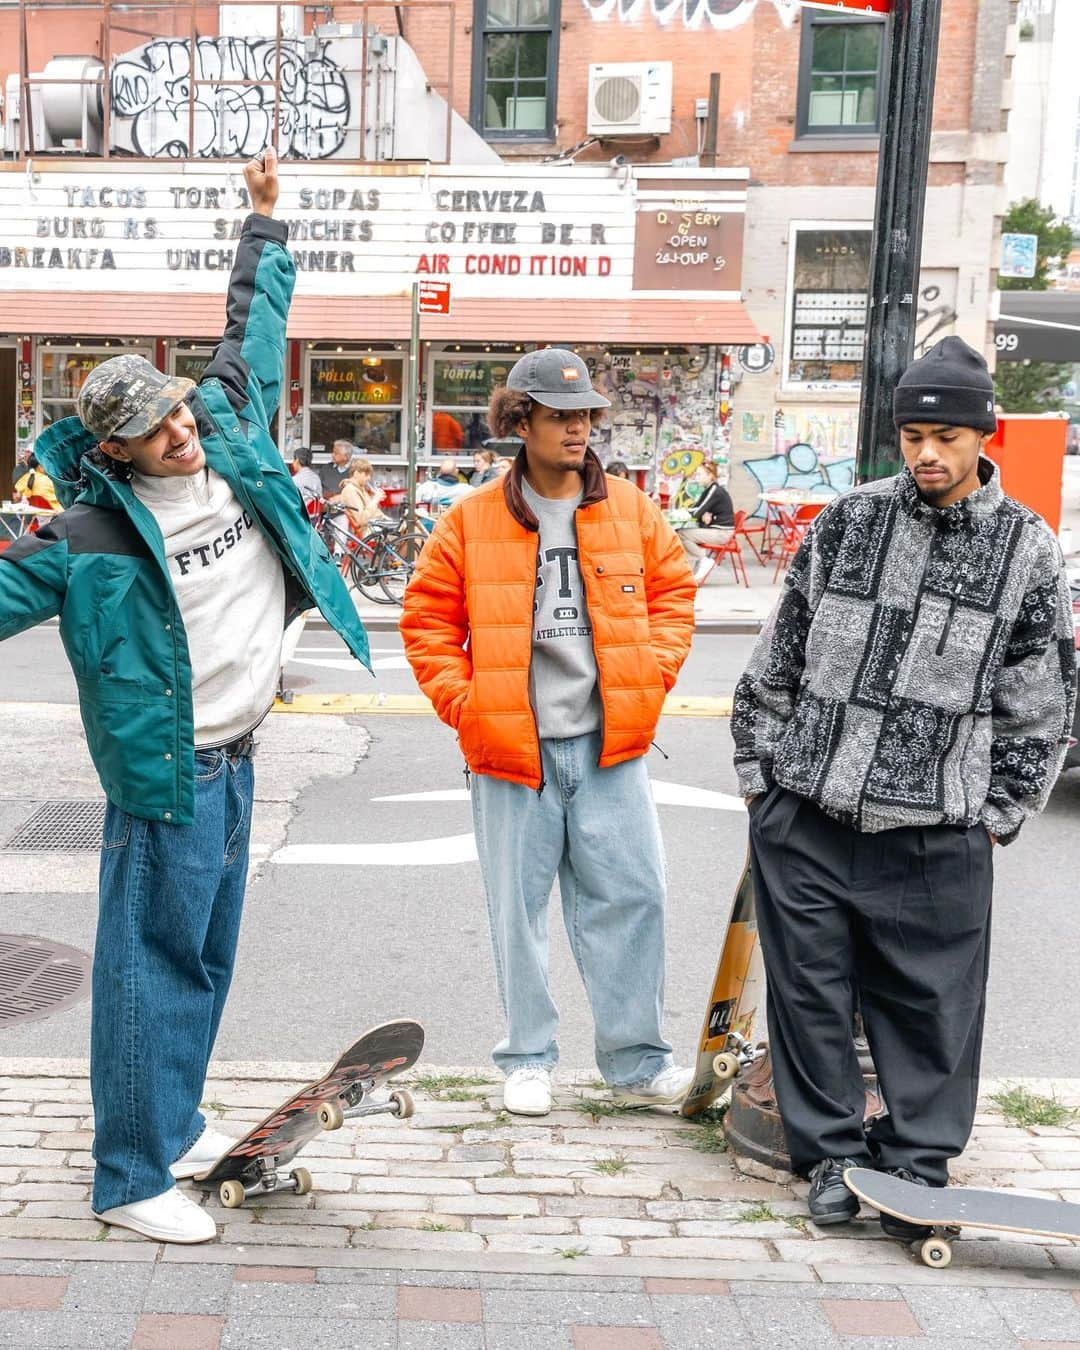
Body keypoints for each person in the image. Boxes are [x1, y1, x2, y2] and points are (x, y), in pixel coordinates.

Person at [0, 147, 371, 1244]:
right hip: (171, 774)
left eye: (179, 409)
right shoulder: (88, 538)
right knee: (144, 969)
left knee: (203, 959)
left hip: (243, 753)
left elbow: (249, 328)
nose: (182, 429)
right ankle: (128, 1175)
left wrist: (266, 220)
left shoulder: (232, 428)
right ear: (112, 449)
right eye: (156, 428)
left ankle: (175, 1119)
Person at [732, 336, 1076, 1236]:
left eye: (947, 437)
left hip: (938, 830)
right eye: (914, 434)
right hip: (808, 812)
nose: (927, 453)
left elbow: (1039, 704)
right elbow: (778, 659)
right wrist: (761, 780)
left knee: (929, 1010)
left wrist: (994, 818)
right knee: (808, 996)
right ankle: (834, 1160)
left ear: (982, 436)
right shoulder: (848, 520)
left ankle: (917, 1167)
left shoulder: (1026, 551)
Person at [402, 347, 697, 1117]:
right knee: (517, 909)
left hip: (610, 747)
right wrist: (468, 708)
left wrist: (650, 678)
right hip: (512, 750)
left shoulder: (630, 509)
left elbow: (672, 598)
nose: (578, 429)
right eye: (561, 415)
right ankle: (527, 1057)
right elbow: (427, 620)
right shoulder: (470, 519)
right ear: (519, 420)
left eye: (586, 415)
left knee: (635, 900)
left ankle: (636, 1063)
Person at [677, 461, 735, 579]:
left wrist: (701, 514)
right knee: (681, 532)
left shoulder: (714, 490)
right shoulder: (708, 489)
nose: (696, 477)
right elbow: (697, 509)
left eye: (699, 474)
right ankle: (700, 562)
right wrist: (702, 514)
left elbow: (697, 511)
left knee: (681, 533)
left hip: (722, 533)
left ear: (710, 476)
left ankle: (704, 559)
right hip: (715, 530)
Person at [339, 456, 387, 534]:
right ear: (356, 473)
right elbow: (361, 519)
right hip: (369, 530)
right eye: (366, 475)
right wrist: (375, 500)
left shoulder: (360, 489)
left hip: (375, 525)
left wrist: (373, 498)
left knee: (408, 529)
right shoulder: (350, 491)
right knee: (408, 531)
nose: (369, 478)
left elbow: (371, 511)